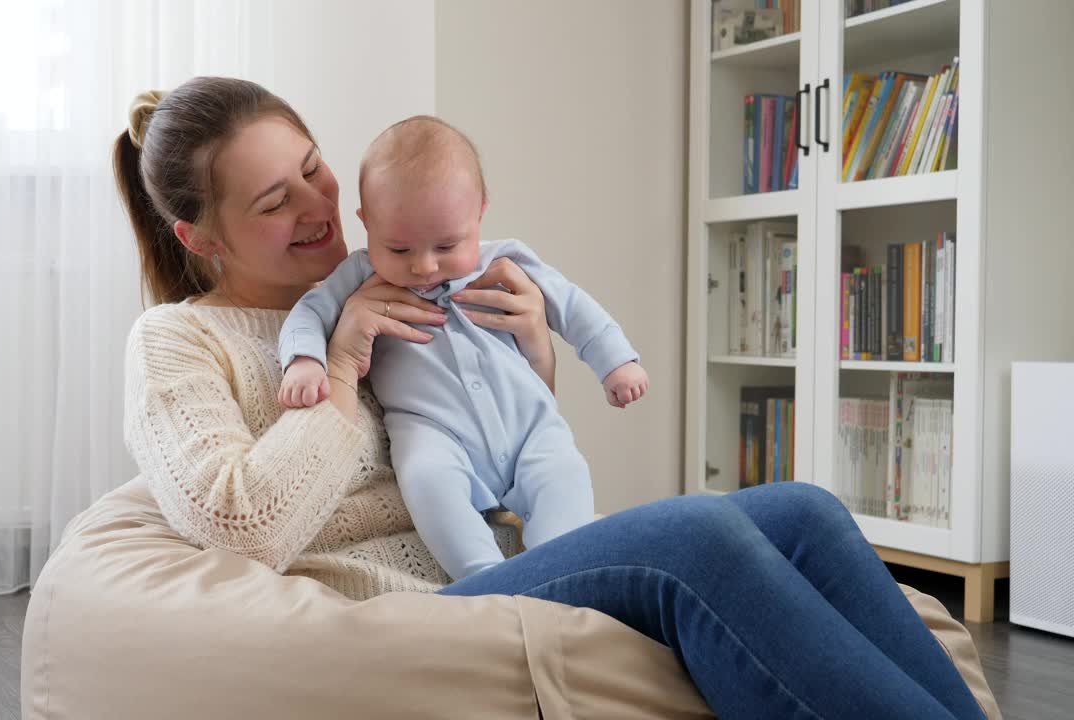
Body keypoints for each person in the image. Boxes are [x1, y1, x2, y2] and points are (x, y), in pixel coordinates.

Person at [113, 76, 986, 719]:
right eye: (275, 199)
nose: (317, 205)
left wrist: (532, 343)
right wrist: (339, 370)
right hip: (405, 611)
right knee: (699, 536)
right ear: (202, 237)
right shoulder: (179, 341)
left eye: (313, 169)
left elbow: (493, 446)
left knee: (806, 510)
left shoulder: (385, 273)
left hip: (510, 551)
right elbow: (238, 524)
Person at [276, 115, 649, 580]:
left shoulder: (505, 260)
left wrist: (616, 361)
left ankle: (561, 576)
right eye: (399, 249)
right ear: (366, 222)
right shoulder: (359, 276)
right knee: (427, 481)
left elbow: (572, 304)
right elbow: (309, 312)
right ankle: (486, 579)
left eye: (448, 244)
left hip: (530, 423)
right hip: (431, 429)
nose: (424, 266)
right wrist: (306, 361)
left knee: (565, 476)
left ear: (480, 214)